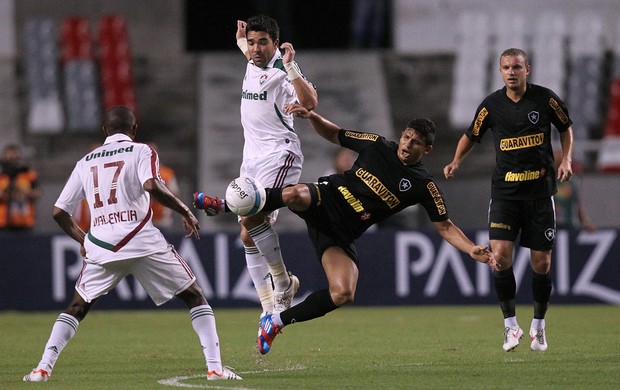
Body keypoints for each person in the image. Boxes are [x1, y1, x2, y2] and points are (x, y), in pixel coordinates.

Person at [195, 107, 498, 355]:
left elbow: (444, 226)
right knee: (297, 194)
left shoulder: (423, 185)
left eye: (416, 142)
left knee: (343, 292)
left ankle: (276, 321)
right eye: (406, 137)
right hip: (327, 198)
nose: (407, 144)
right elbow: (334, 133)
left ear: (427, 149)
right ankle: (227, 204)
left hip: (342, 232)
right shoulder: (378, 145)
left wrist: (471, 248)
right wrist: (311, 116)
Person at [23, 106, 241, 382]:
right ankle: (215, 368)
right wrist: (185, 210)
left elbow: (58, 212)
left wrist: (85, 240)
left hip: (101, 244)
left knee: (77, 307)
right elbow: (151, 185)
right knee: (194, 295)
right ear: (134, 130)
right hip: (140, 239)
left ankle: (42, 368)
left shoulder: (85, 161)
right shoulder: (142, 151)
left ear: (105, 131)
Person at [443, 48, 575, 352]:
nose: (511, 72)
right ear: (500, 71)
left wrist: (566, 159)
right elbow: (470, 135)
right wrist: (456, 161)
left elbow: (566, 128)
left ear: (527, 68)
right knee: (500, 258)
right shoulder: (491, 106)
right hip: (505, 194)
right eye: (505, 67)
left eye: (516, 67)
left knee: (541, 263)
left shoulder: (545, 99)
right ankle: (510, 326)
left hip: (540, 194)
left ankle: (539, 327)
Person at [223, 15, 318, 323]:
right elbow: (250, 52)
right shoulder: (253, 60)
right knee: (247, 234)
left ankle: (281, 282)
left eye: (263, 42)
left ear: (276, 44)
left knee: (252, 218)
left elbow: (311, 100)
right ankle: (267, 305)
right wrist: (242, 39)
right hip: (251, 159)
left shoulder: (281, 68)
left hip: (280, 155)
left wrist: (291, 64)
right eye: (252, 43)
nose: (255, 49)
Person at [0, 144, 41, 230]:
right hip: (3, 222)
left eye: (15, 157)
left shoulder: (28, 173)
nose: (12, 159)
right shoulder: (2, 175)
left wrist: (24, 191)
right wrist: (7, 190)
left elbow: (37, 193)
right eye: (9, 157)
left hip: (25, 221)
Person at [553, 152, 596, 231]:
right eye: (557, 162)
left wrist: (585, 222)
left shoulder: (572, 182)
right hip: (551, 225)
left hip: (568, 224)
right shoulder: (548, 181)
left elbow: (578, 205)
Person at [148, 142, 181, 233]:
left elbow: (174, 192)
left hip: (163, 219)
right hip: (144, 220)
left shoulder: (166, 172)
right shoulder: (139, 172)